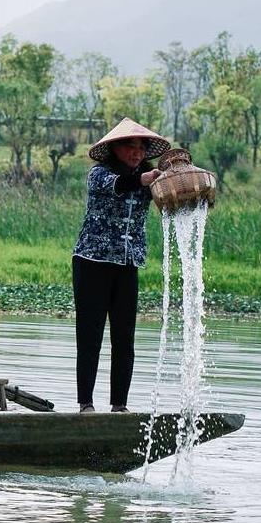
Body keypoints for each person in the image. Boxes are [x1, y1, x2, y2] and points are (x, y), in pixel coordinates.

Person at [72, 118, 170, 413]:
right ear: (115, 148)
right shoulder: (99, 175)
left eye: (141, 148)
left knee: (124, 338)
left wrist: (172, 182)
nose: (137, 153)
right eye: (131, 146)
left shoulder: (148, 179)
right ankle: (86, 404)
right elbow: (120, 185)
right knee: (90, 335)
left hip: (128, 263)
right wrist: (145, 179)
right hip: (93, 261)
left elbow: (166, 201)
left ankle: (119, 405)